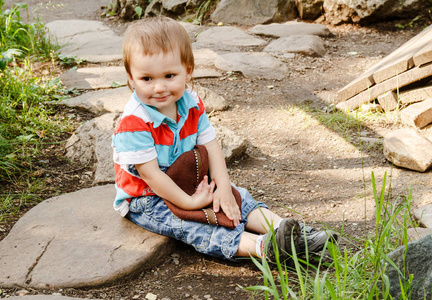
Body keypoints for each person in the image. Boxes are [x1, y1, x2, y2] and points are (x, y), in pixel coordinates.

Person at [112, 16, 334, 262]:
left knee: (238, 198)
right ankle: (263, 247)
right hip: (148, 198)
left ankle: (293, 233)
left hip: (187, 177)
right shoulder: (134, 123)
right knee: (193, 226)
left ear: (187, 70)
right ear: (131, 77)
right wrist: (189, 202)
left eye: (169, 75)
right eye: (146, 79)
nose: (159, 87)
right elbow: (151, 175)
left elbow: (210, 144)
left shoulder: (191, 102)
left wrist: (225, 188)